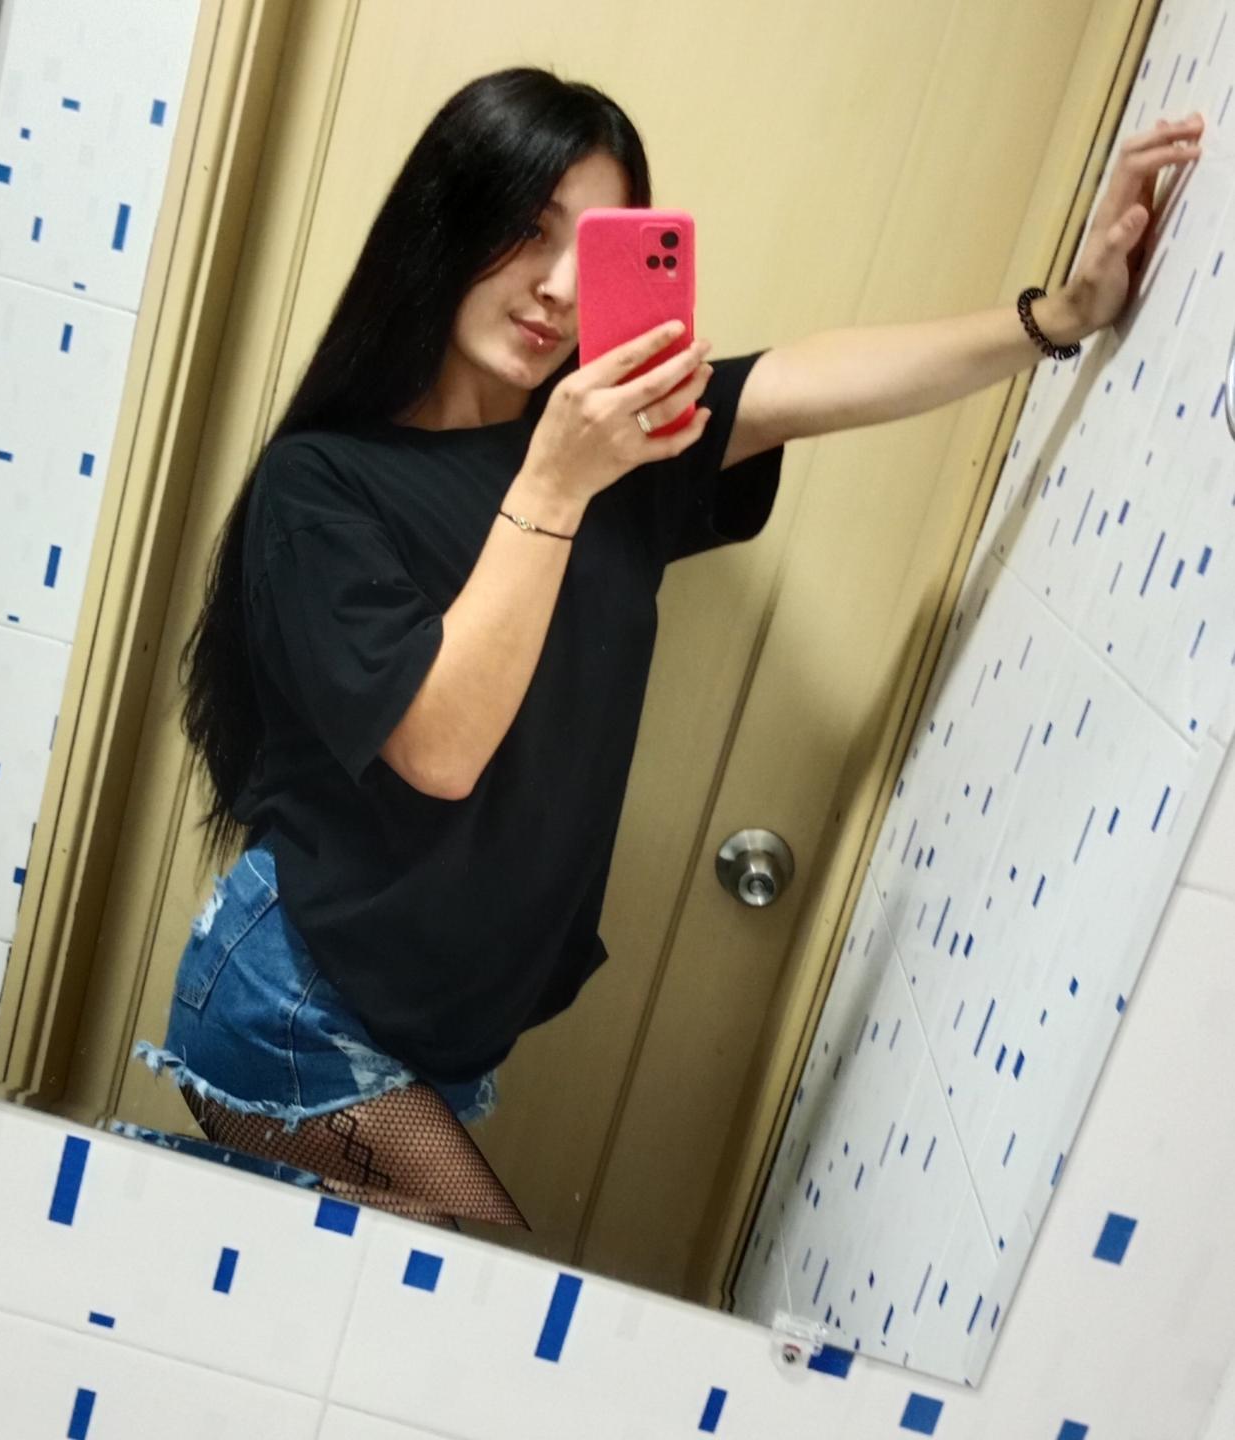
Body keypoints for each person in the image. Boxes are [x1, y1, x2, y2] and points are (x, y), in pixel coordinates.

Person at [134, 65, 1203, 1229]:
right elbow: (439, 746)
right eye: (525, 228)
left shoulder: (615, 450)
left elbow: (808, 381)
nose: (555, 288)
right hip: (295, 998)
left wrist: (1061, 316)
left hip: (429, 1021)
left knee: (342, 1287)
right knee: (463, 1271)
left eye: (590, 248)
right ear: (441, 223)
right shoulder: (326, 485)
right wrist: (555, 479)